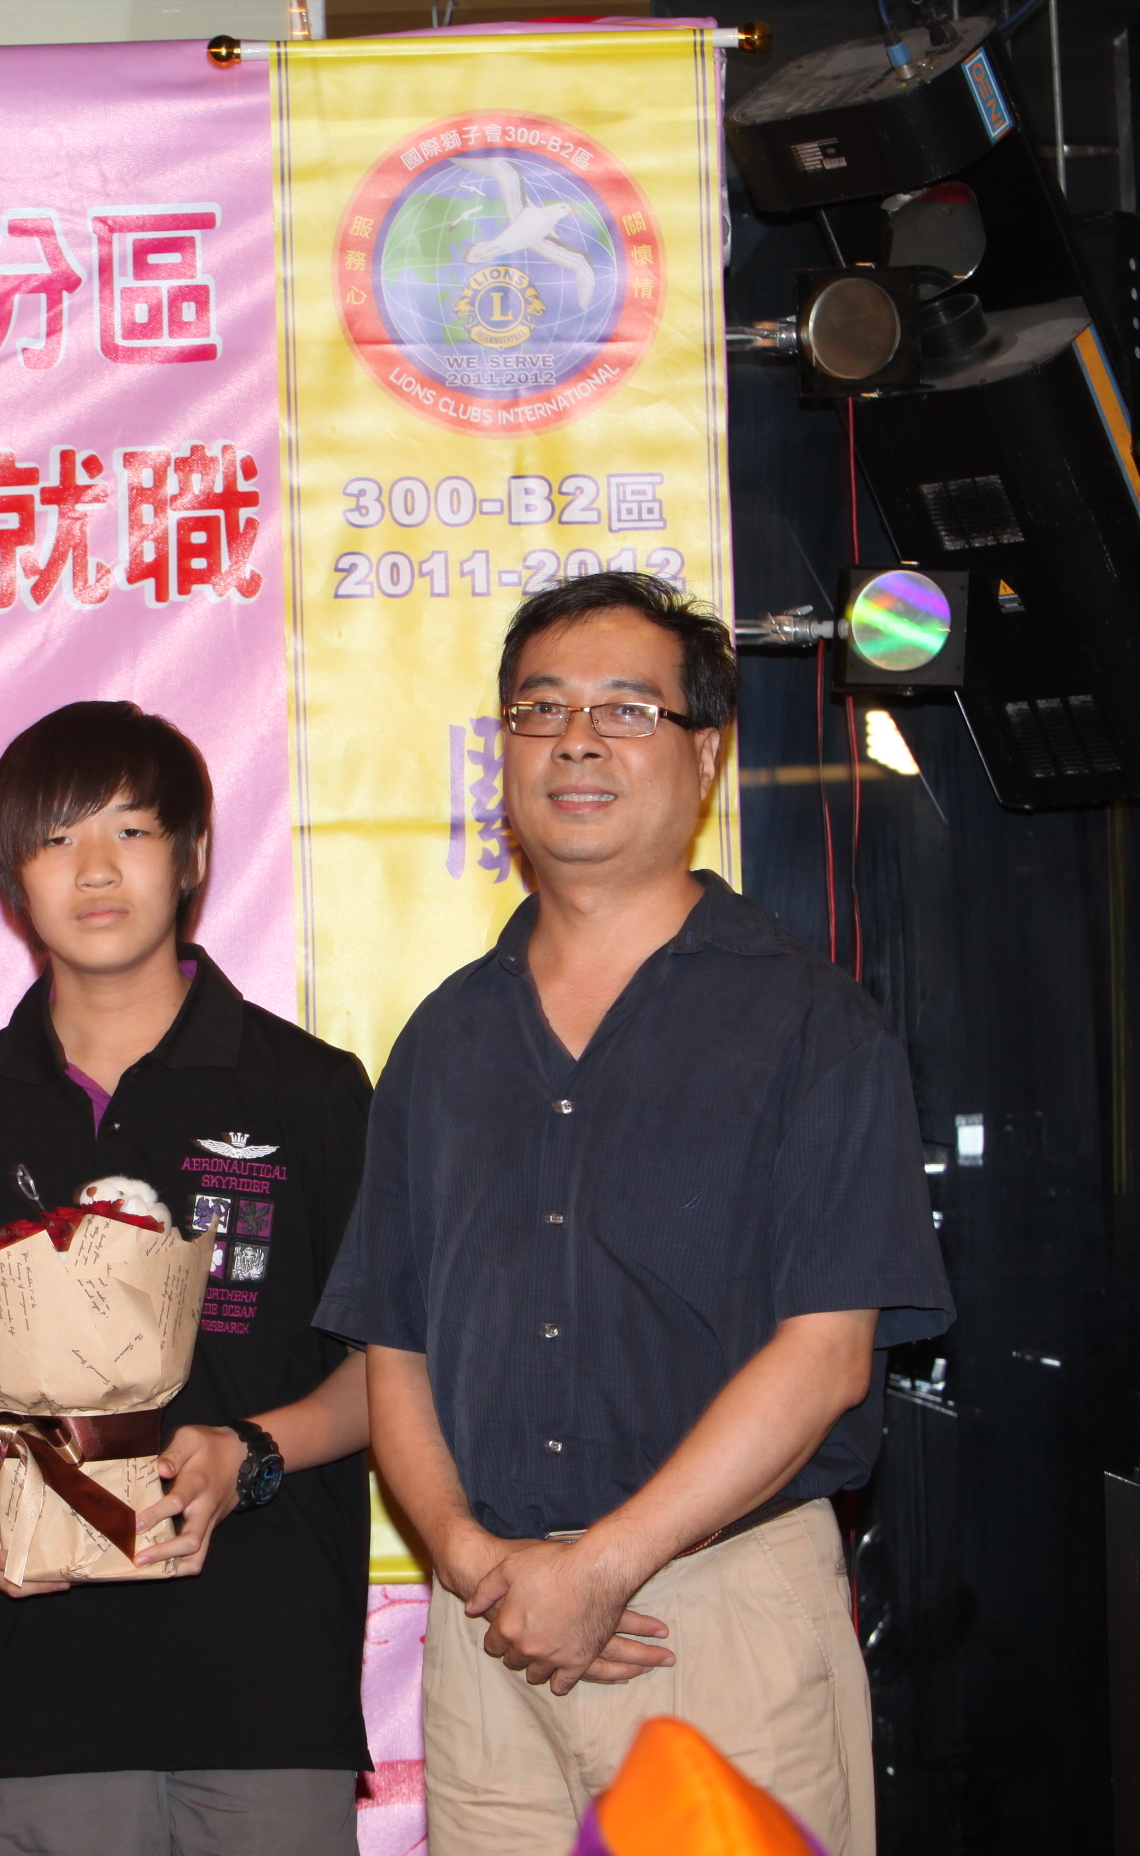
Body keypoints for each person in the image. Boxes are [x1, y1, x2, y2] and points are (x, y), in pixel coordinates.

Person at [312, 573, 955, 1854]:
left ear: (704, 755)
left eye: (626, 709)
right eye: (540, 709)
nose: (576, 741)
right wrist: (468, 1556)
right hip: (489, 1624)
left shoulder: (810, 1024)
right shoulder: (442, 1041)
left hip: (712, 1608)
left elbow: (826, 1358)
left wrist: (604, 1564)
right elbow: (396, 1344)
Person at [0, 700, 375, 1856]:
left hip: (266, 1674)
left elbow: (386, 1372)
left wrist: (251, 1448)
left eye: (132, 831)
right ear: (13, 876)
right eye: (56, 839)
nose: (94, 869)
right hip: (41, 1682)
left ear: (191, 855)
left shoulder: (309, 1090)